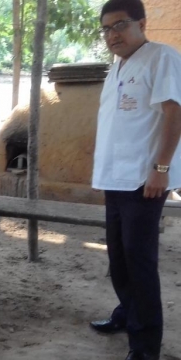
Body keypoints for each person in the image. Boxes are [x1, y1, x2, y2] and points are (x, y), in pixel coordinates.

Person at [90, 1, 181, 359]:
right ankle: (127, 314)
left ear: (142, 23)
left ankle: (145, 348)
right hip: (116, 180)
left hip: (144, 182)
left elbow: (174, 112)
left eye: (121, 25)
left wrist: (160, 169)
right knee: (119, 257)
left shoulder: (162, 57)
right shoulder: (117, 67)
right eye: (106, 29)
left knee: (139, 263)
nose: (113, 35)